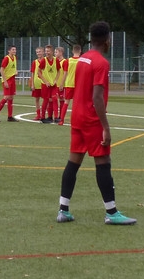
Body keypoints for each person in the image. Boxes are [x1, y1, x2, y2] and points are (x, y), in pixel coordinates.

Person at [55, 22, 136, 225]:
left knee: (73, 162)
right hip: (91, 119)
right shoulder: (101, 63)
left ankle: (63, 210)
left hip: (77, 116)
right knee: (103, 162)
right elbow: (97, 97)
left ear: (91, 39)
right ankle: (111, 212)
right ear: (107, 40)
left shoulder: (82, 59)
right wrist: (106, 127)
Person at [57, 43, 81, 125]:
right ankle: (76, 121)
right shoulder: (81, 60)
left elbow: (65, 73)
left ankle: (61, 120)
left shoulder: (68, 61)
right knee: (77, 104)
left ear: (72, 51)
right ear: (80, 51)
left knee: (66, 102)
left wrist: (62, 84)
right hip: (79, 85)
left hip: (69, 84)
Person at [0, 45, 18, 122]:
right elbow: (1, 69)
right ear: (9, 51)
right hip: (7, 79)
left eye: (15, 50)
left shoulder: (15, 58)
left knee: (11, 97)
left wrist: (15, 71)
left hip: (12, 79)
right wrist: (5, 81)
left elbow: (13, 67)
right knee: (6, 97)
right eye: (13, 50)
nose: (14, 51)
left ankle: (10, 116)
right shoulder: (6, 58)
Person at [38, 43, 59, 124]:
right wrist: (45, 81)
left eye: (48, 51)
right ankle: (43, 117)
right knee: (46, 100)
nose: (47, 52)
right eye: (46, 51)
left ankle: (56, 117)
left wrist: (56, 80)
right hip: (45, 84)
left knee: (55, 99)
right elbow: (39, 72)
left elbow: (58, 71)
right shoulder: (44, 60)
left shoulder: (56, 60)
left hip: (53, 84)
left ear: (52, 52)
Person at [30, 47, 44, 121]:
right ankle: (38, 115)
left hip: (44, 83)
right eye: (37, 52)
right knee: (37, 99)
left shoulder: (46, 61)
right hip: (36, 83)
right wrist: (32, 84)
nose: (38, 53)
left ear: (43, 52)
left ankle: (44, 114)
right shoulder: (35, 62)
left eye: (40, 51)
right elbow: (32, 73)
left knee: (46, 99)